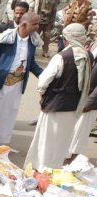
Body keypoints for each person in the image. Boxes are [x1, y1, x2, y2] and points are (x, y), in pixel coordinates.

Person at [26, 24, 94, 169]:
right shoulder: (88, 55)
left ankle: (41, 171)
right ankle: (54, 170)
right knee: (62, 143)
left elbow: (43, 82)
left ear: (67, 38)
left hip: (55, 106)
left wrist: (42, 96)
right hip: (74, 107)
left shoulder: (62, 57)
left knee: (46, 143)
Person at [0, 13, 43, 147]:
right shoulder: (5, 39)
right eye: (35, 24)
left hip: (16, 86)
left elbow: (31, 63)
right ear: (24, 24)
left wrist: (45, 76)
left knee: (7, 116)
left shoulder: (32, 42)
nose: (37, 27)